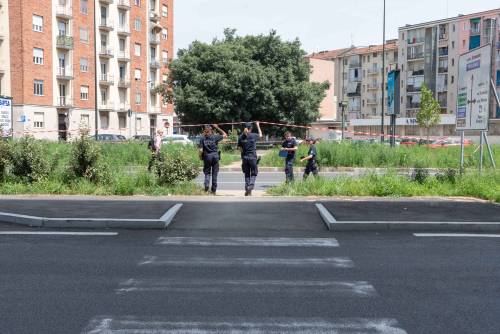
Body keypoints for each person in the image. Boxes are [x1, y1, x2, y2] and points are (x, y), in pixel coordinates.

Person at [199, 124, 227, 194]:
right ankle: (213, 190)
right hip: (215, 157)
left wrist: (200, 157)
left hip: (207, 157)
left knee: (207, 173)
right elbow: (225, 134)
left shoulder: (202, 138)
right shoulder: (215, 137)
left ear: (204, 130)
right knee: (215, 174)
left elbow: (200, 150)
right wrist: (217, 127)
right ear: (211, 130)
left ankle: (206, 187)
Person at [237, 121, 263, 196]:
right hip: (252, 157)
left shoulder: (240, 137)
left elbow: (239, 148)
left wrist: (243, 153)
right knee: (254, 173)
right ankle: (250, 186)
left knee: (247, 174)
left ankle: (247, 189)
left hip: (245, 158)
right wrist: (258, 125)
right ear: (250, 128)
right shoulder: (253, 135)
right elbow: (261, 135)